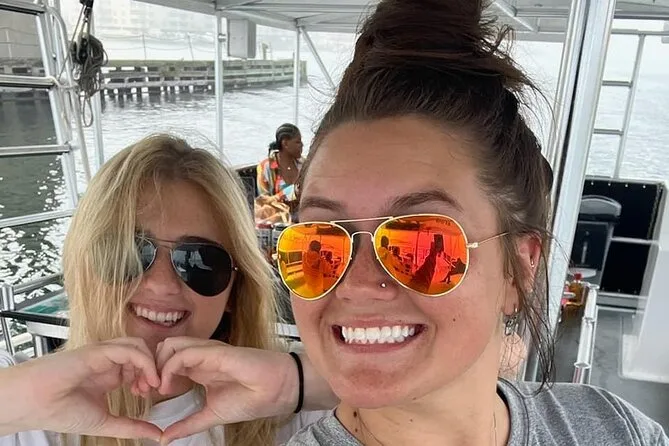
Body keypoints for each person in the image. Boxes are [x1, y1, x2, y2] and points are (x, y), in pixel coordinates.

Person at [276, 0, 669, 444]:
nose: (357, 285)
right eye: (320, 245)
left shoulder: (616, 430)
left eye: (423, 244)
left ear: (519, 270)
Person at [0, 134, 333, 446]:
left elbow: (367, 399)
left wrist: (292, 383)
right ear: (84, 267)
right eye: (127, 253)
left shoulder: (291, 412)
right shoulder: (22, 415)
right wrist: (23, 398)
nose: (162, 284)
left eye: (200, 261)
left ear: (235, 290)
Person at [257, 123, 304, 203]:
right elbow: (263, 202)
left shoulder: (304, 164)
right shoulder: (265, 167)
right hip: (277, 211)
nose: (302, 145)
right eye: (298, 142)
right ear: (285, 143)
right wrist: (287, 194)